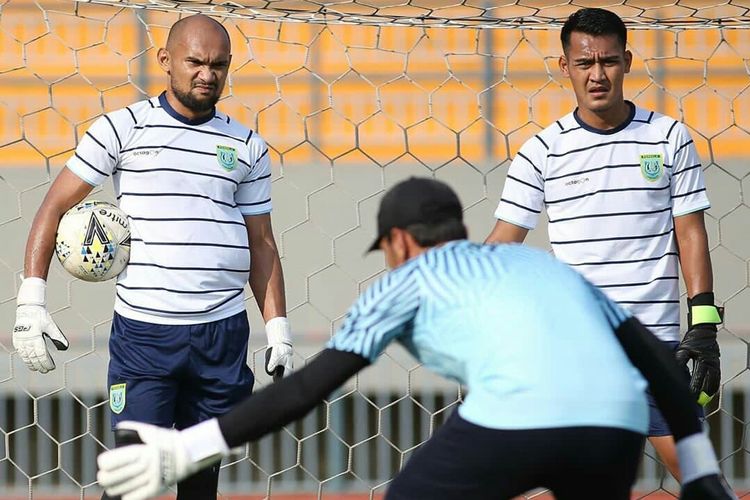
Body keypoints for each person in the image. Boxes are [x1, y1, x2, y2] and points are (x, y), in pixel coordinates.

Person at [96, 177, 733, 500]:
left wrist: (187, 449)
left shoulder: (404, 283)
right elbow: (654, 358)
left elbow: (308, 390)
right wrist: (700, 471)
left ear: (399, 242)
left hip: (514, 415)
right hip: (613, 424)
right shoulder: (544, 264)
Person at [11, 14, 293, 500]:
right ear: (165, 61)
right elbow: (54, 207)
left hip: (221, 335)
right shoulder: (121, 129)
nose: (208, 74)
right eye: (196, 62)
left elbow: (262, 242)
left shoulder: (246, 145)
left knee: (200, 483)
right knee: (128, 478)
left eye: (220, 66)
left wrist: (279, 328)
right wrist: (31, 301)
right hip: (145, 335)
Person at [485, 7, 723, 480]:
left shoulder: (668, 137)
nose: (597, 75)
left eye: (609, 62)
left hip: (659, 350)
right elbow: (503, 243)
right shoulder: (543, 151)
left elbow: (690, 232)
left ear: (628, 61)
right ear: (564, 67)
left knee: (702, 478)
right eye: (584, 63)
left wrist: (705, 326)